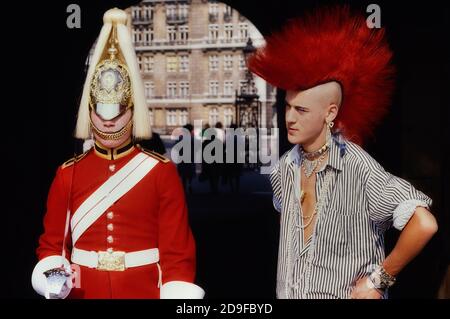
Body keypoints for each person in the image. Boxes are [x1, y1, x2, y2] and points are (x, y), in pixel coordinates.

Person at [248, 6, 438, 299]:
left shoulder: (356, 164)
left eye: (301, 109)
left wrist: (379, 281)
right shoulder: (284, 168)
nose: (289, 118)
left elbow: (424, 223)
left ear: (330, 113)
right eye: (287, 106)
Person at [31, 8, 204, 299]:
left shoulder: (159, 171)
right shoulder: (68, 173)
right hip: (84, 291)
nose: (108, 121)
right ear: (90, 112)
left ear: (132, 112)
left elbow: (177, 254)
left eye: (116, 111)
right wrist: (54, 280)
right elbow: (52, 246)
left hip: (143, 290)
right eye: (101, 111)